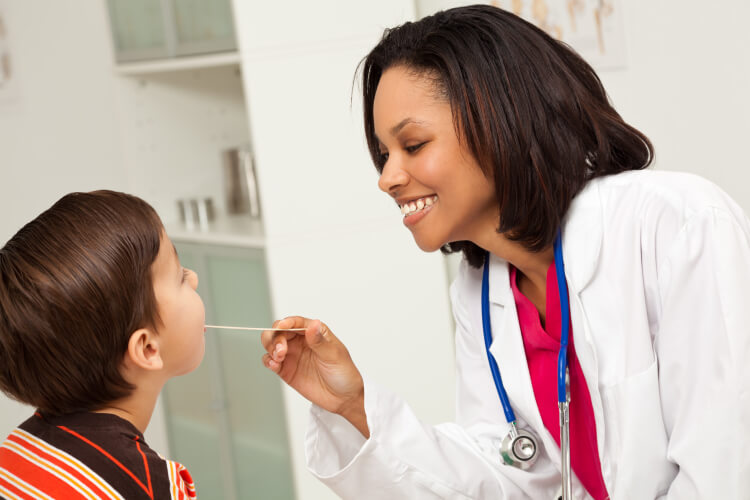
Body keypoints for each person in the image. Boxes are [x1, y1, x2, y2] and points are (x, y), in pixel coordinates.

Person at [261, 4, 750, 499]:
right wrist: (355, 408)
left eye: (413, 144)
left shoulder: (679, 227)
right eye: (384, 154)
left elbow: (724, 470)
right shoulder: (481, 291)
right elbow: (506, 477)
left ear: (500, 120)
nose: (387, 178)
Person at [0, 191, 205, 499]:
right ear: (148, 348)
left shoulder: (16, 454)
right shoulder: (153, 487)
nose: (194, 279)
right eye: (179, 277)